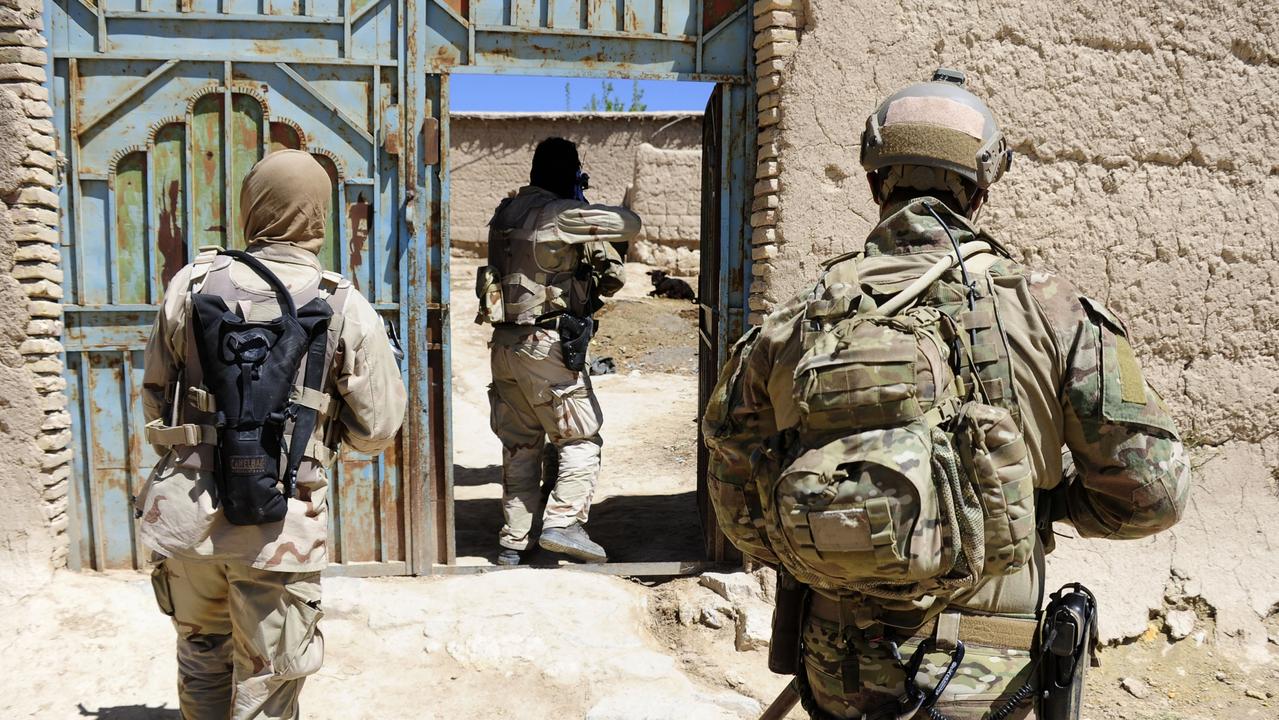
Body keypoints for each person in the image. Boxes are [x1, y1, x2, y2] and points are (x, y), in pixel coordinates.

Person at [703, 70, 1191, 719]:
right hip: (981, 675)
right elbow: (1150, 495)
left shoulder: (794, 320)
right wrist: (1032, 507)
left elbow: (736, 509)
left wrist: (841, 544)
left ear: (876, 179)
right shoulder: (1052, 312)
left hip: (836, 670)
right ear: (980, 187)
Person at [136, 150, 407, 720]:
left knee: (202, 655)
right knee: (268, 683)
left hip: (187, 518)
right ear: (317, 213)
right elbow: (378, 430)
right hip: (279, 529)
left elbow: (155, 398)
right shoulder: (342, 302)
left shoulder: (191, 283)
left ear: (252, 205)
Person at [475, 137, 641, 565]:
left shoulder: (506, 212)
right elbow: (630, 224)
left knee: (520, 445)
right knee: (580, 437)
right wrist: (580, 202)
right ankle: (563, 522)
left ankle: (514, 542)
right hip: (544, 343)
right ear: (568, 173)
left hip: (505, 343)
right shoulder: (560, 214)